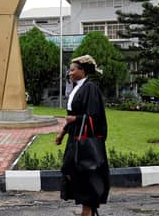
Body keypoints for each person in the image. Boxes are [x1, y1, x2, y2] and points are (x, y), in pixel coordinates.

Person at [55, 55, 109, 216]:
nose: (70, 73)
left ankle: (88, 209)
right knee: (69, 169)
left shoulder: (90, 88)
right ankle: (89, 207)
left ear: (82, 71)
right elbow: (73, 114)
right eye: (69, 70)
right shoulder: (76, 88)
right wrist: (62, 133)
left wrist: (76, 119)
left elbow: (94, 116)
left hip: (86, 140)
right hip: (75, 138)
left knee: (86, 172)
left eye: (73, 70)